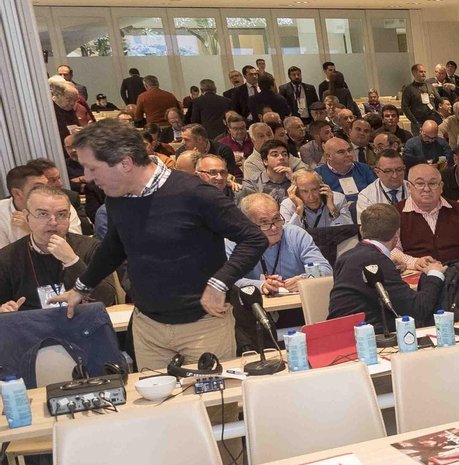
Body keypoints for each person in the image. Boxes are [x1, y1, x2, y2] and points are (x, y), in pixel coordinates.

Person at [55, 119, 267, 369]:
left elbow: (254, 238)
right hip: (148, 328)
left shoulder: (195, 192)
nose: (88, 177)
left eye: (92, 168)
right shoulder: (117, 197)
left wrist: (220, 282)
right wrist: (81, 287)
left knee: (213, 395)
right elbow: (114, 246)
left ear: (125, 163)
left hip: (203, 325)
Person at [0, 183, 116, 312]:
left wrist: (72, 261)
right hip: (32, 324)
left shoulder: (91, 247)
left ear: (69, 217)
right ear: (27, 217)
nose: (53, 222)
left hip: (83, 321)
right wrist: (4, 311)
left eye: (61, 215)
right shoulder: (7, 258)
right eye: (43, 214)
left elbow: (107, 298)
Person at [328, 203, 446, 325]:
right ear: (397, 234)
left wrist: (390, 267)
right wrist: (434, 274)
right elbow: (418, 309)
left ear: (361, 230)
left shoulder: (344, 257)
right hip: (367, 333)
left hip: (336, 330)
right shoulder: (377, 261)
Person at [229, 193, 332, 295]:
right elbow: (228, 278)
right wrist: (261, 285)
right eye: (264, 222)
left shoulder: (296, 235)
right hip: (257, 302)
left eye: (276, 219)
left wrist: (305, 280)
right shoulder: (234, 242)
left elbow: (325, 269)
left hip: (298, 301)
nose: (274, 228)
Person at [395, 160, 459, 264]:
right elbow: (391, 249)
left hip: (458, 269)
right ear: (409, 187)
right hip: (417, 271)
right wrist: (414, 262)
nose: (426, 189)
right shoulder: (395, 214)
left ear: (441, 187)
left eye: (432, 183)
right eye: (420, 183)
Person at [0, 162, 86, 248]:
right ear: (17, 193)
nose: (45, 192)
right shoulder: (2, 212)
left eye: (47, 186)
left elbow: (77, 245)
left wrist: (32, 230)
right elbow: (3, 254)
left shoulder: (61, 206)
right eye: (37, 188)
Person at [316, 135, 377, 219]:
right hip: (335, 217)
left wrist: (355, 204)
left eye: (349, 150)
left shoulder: (364, 169)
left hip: (366, 213)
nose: (348, 154)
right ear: (328, 156)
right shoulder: (318, 175)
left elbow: (376, 193)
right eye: (341, 152)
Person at [280, 167, 348, 231]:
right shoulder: (287, 205)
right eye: (305, 191)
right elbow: (288, 235)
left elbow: (348, 231)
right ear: (296, 191)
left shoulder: (338, 199)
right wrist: (299, 208)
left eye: (314, 189)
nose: (311, 196)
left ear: (322, 186)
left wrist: (332, 209)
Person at [355, 148, 411, 215]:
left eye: (399, 169)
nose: (395, 176)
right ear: (377, 172)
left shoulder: (415, 189)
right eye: (388, 171)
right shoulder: (366, 197)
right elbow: (366, 222)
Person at [400, 64, 441, 132]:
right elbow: (404, 107)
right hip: (418, 122)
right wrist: (414, 121)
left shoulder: (430, 87)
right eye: (421, 72)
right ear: (414, 73)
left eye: (424, 72)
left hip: (432, 120)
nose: (424, 74)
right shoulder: (408, 89)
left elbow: (438, 101)